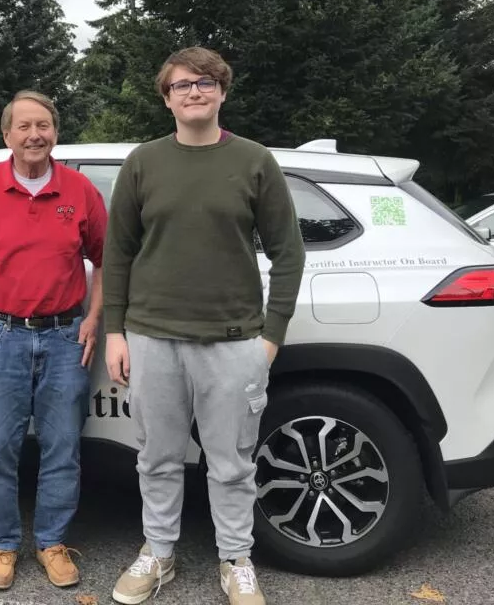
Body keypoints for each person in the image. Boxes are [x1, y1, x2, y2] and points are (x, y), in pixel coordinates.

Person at [103, 47, 306, 605]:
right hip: (152, 337)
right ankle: (159, 553)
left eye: (206, 82)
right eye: (183, 84)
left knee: (233, 463)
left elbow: (289, 253)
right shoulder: (144, 162)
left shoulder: (255, 161)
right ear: (166, 97)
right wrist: (115, 332)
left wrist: (271, 337)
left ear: (222, 91)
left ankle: (236, 559)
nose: (195, 92)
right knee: (157, 458)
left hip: (234, 341)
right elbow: (117, 254)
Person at [0, 89, 107, 591]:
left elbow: (106, 262)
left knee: (63, 448)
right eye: (24, 126)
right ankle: (1, 546)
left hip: (64, 338)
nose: (34, 135)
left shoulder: (80, 191)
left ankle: (52, 543)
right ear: (7, 135)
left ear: (54, 132)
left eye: (43, 125)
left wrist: (93, 318)